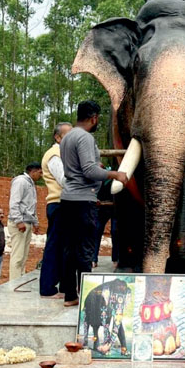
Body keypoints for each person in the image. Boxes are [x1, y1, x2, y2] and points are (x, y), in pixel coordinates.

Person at [59, 101, 128, 307]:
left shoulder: (67, 137)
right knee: (86, 250)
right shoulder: (85, 137)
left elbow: (80, 167)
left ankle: (70, 295)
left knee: (70, 249)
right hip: (83, 200)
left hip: (67, 198)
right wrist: (115, 173)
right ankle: (89, 299)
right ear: (94, 118)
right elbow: (89, 170)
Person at [38, 122, 72, 298]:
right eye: (68, 134)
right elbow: (65, 180)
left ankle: (62, 285)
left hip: (64, 204)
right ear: (57, 138)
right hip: (59, 204)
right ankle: (47, 288)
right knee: (54, 246)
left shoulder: (65, 153)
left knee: (64, 247)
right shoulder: (54, 155)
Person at [7, 163, 42, 282]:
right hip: (20, 223)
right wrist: (18, 221)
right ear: (33, 171)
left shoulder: (31, 184)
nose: (41, 175)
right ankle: (14, 283)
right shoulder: (20, 182)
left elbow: (30, 205)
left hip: (27, 223)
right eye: (40, 172)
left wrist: (35, 222)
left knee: (23, 256)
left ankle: (20, 281)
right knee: (17, 256)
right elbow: (14, 203)